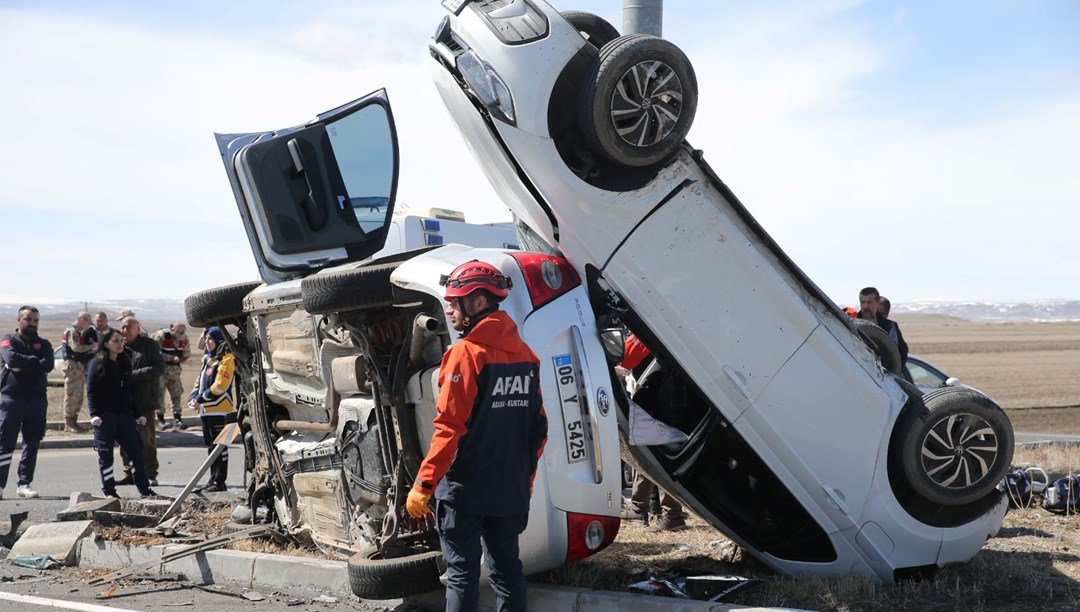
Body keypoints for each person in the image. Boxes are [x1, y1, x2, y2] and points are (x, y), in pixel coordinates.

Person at [405, 260, 548, 612]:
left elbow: (449, 428)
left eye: (455, 301)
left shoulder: (465, 355)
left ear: (479, 303)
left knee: (462, 575)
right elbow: (538, 428)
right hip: (508, 490)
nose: (449, 308)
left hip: (466, 491)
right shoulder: (527, 357)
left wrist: (424, 485)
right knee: (506, 571)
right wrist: (526, 480)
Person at [616, 332, 688, 532]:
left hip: (666, 400)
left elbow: (625, 356)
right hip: (663, 395)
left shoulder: (647, 331)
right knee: (649, 453)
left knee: (661, 454)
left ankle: (671, 516)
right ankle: (641, 508)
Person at [86, 330, 158, 499]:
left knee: (136, 452)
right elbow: (91, 391)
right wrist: (95, 414)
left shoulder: (124, 362)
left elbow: (129, 391)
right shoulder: (97, 364)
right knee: (106, 455)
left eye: (122, 341)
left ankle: (144, 490)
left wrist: (136, 413)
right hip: (105, 417)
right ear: (106, 343)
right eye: (115, 341)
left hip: (125, 416)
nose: (120, 344)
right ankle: (109, 491)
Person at [0, 306, 54, 499]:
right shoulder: (8, 340)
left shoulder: (45, 344)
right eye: (28, 319)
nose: (32, 323)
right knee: (5, 443)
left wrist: (22, 365)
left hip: (37, 401)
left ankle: (24, 484)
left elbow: (48, 364)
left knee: (31, 443)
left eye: (35, 320)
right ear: (19, 320)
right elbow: (10, 357)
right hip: (12, 400)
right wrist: (33, 363)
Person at [116, 317, 163, 487]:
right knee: (124, 439)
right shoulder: (119, 347)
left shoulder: (149, 345)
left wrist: (134, 375)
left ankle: (150, 473)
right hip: (124, 401)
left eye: (128, 327)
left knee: (146, 438)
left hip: (144, 401)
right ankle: (130, 472)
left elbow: (158, 368)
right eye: (122, 327)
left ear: (137, 329)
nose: (124, 331)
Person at [188, 327, 236, 493]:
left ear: (220, 340)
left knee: (220, 447)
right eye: (205, 338)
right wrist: (193, 397)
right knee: (210, 447)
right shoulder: (208, 359)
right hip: (206, 411)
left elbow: (220, 386)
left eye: (210, 339)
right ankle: (212, 479)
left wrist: (201, 399)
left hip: (222, 412)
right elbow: (199, 381)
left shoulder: (227, 359)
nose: (206, 342)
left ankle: (220, 482)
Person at [858, 287, 911, 378]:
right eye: (863, 302)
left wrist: (894, 374)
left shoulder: (890, 327)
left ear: (877, 303)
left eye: (869, 302)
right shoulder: (851, 323)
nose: (866, 306)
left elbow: (901, 351)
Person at [61, 312, 97, 432]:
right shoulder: (73, 331)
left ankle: (73, 421)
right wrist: (91, 347)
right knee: (72, 394)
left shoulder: (77, 331)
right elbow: (76, 347)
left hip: (78, 366)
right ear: (82, 320)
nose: (88, 327)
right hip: (73, 366)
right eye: (87, 323)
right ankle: (69, 423)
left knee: (78, 395)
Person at [153, 322, 191, 430]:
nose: (178, 337)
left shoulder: (184, 339)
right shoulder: (161, 336)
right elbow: (154, 352)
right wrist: (170, 358)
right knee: (159, 394)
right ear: (171, 329)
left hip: (174, 371)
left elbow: (186, 353)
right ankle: (160, 419)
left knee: (176, 394)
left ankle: (177, 418)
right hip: (161, 371)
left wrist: (180, 359)